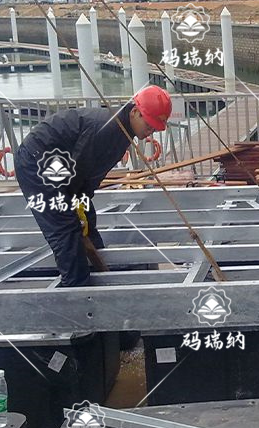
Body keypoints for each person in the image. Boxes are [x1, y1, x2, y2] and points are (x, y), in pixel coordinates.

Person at [14, 86, 172, 287]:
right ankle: (76, 289)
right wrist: (71, 205)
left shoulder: (122, 130)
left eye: (155, 129)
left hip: (59, 164)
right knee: (65, 228)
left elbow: (91, 174)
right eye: (149, 125)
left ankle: (98, 272)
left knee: (86, 220)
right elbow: (79, 167)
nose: (150, 131)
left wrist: (82, 202)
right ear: (135, 112)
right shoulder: (107, 129)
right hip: (37, 161)